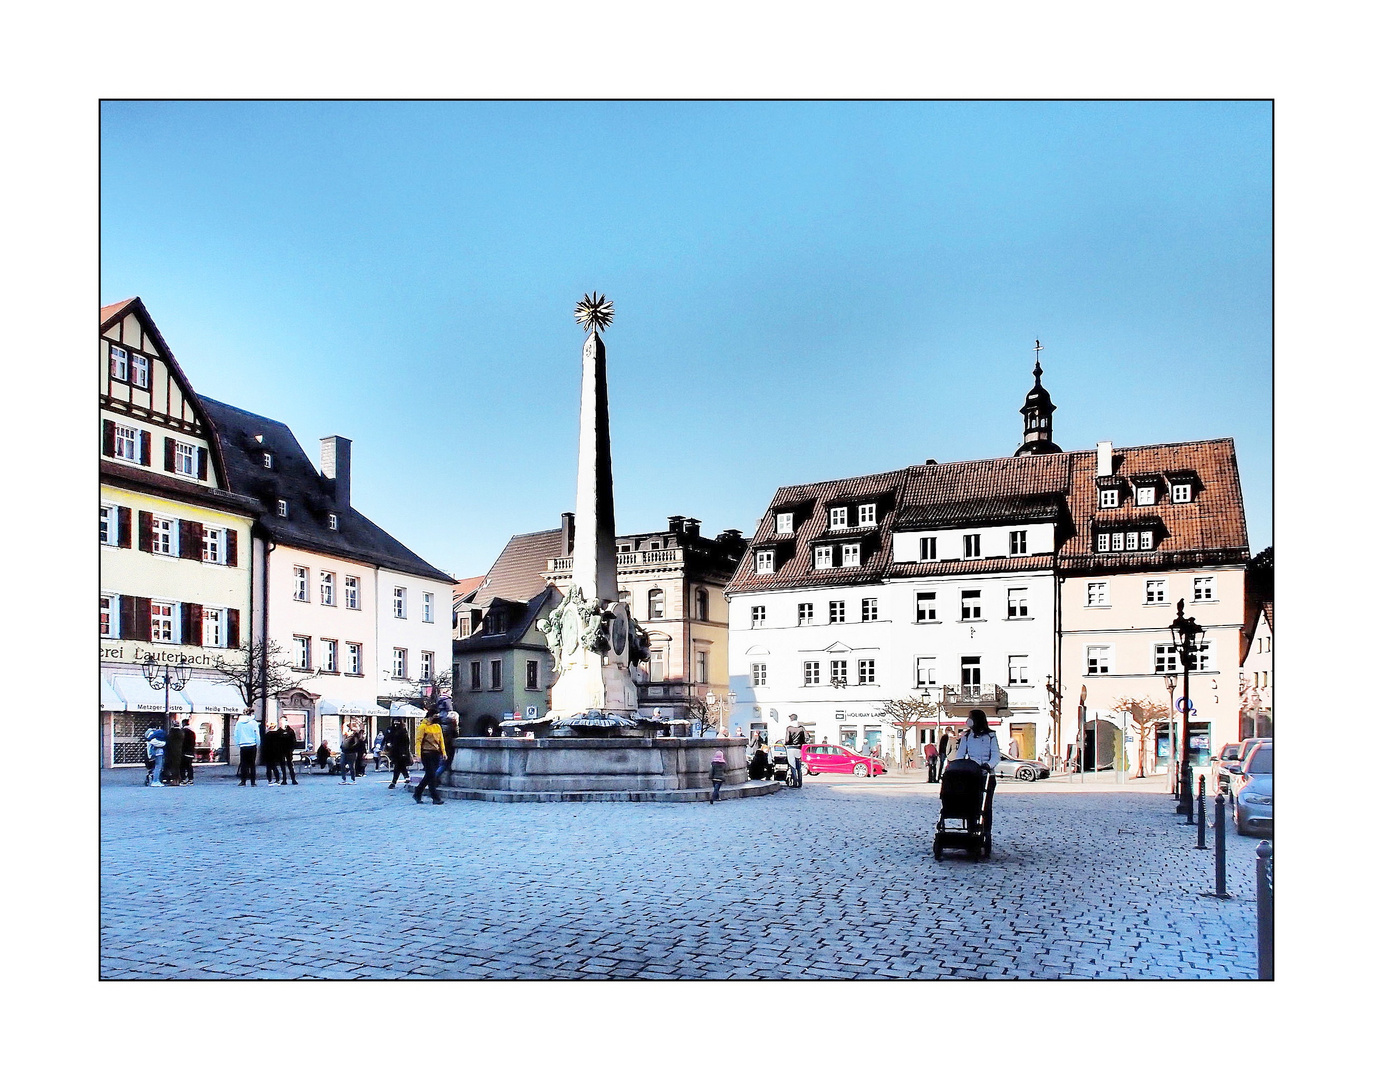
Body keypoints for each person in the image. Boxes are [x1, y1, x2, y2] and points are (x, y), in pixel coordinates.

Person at [412, 708, 446, 804]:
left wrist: (444, 753)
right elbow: (418, 742)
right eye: (435, 716)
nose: (437, 718)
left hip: (436, 753)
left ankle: (417, 793)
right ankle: (435, 797)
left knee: (429, 775)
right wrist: (418, 755)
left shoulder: (437, 726)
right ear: (430, 716)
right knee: (431, 774)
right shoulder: (422, 727)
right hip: (426, 753)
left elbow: (441, 740)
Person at [954, 710, 1001, 775]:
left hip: (987, 773)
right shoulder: (966, 736)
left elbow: (996, 755)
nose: (968, 720)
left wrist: (988, 765)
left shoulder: (991, 736)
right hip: (971, 772)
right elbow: (960, 755)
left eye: (970, 717)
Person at [234, 712, 261, 786]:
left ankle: (243, 781)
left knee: (243, 764)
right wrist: (257, 743)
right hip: (252, 745)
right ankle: (253, 782)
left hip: (243, 745)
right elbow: (257, 734)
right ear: (251, 714)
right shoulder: (253, 723)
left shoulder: (239, 723)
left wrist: (238, 743)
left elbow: (236, 734)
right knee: (252, 764)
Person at [384, 719, 412, 789]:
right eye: (395, 721)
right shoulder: (391, 730)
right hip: (394, 751)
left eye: (397, 721)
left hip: (402, 752)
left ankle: (394, 782)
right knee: (400, 766)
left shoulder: (403, 731)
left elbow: (406, 742)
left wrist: (405, 752)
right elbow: (387, 738)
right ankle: (406, 777)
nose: (396, 723)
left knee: (398, 766)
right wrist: (388, 745)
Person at [784, 714, 806, 787]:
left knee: (792, 765)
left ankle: (794, 782)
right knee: (798, 767)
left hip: (790, 748)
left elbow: (787, 740)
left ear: (791, 719)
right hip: (798, 748)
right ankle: (800, 782)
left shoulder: (789, 728)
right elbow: (807, 738)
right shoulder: (801, 728)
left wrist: (786, 743)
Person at [162, 720, 184, 786]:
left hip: (171, 752)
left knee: (172, 766)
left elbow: (168, 742)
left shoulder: (172, 733)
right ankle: (177, 780)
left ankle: (173, 780)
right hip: (179, 751)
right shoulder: (181, 733)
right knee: (177, 766)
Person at [180, 719, 197, 785]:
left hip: (184, 752)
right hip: (190, 752)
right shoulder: (192, 733)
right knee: (189, 766)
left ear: (183, 723)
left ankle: (183, 779)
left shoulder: (183, 732)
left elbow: (182, 743)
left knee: (182, 767)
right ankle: (191, 779)